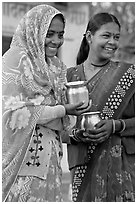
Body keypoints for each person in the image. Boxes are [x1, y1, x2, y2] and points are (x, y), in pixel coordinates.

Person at [2, 4, 90, 202]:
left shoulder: (57, 68)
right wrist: (60, 110)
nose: (56, 41)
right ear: (35, 31)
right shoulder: (14, 61)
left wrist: (67, 112)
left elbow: (63, 121)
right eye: (49, 34)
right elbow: (11, 115)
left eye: (60, 35)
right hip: (21, 164)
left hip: (51, 161)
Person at [66, 12, 135, 202]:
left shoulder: (129, 75)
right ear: (89, 37)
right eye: (106, 35)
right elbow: (57, 127)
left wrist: (115, 125)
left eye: (116, 37)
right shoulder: (69, 77)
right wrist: (76, 134)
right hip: (82, 166)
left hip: (120, 166)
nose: (112, 42)